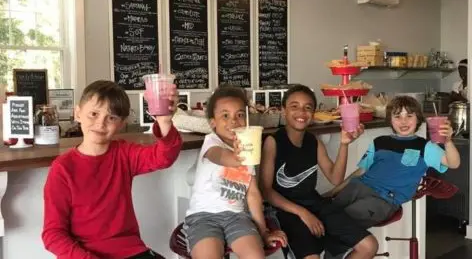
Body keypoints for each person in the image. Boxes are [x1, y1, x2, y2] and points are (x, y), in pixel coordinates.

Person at [42, 80, 183, 259]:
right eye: (93, 114)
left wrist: (164, 120)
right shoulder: (62, 168)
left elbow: (164, 157)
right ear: (77, 113)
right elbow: (53, 235)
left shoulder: (124, 153)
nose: (101, 124)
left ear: (121, 123)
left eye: (111, 117)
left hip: (130, 250)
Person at [259, 84, 378, 259]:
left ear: (313, 113)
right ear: (283, 110)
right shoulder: (273, 142)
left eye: (308, 108)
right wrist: (303, 213)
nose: (301, 112)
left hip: (315, 204)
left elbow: (336, 179)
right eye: (294, 106)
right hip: (284, 210)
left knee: (369, 245)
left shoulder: (313, 141)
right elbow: (266, 191)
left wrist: (344, 144)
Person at [184, 85, 287, 259]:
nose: (233, 121)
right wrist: (239, 156)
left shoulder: (247, 148)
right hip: (203, 217)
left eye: (239, 115)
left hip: (237, 217)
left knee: (255, 256)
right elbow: (221, 156)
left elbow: (252, 194)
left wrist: (263, 231)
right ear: (212, 122)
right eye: (225, 115)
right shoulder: (211, 142)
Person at [326, 96, 460, 229]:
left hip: (384, 199)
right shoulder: (379, 142)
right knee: (324, 216)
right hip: (358, 187)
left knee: (341, 222)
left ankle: (343, 249)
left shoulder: (426, 146)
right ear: (390, 120)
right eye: (397, 116)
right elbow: (360, 172)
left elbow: (453, 163)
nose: (403, 121)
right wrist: (332, 192)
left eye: (409, 116)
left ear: (418, 119)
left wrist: (448, 142)